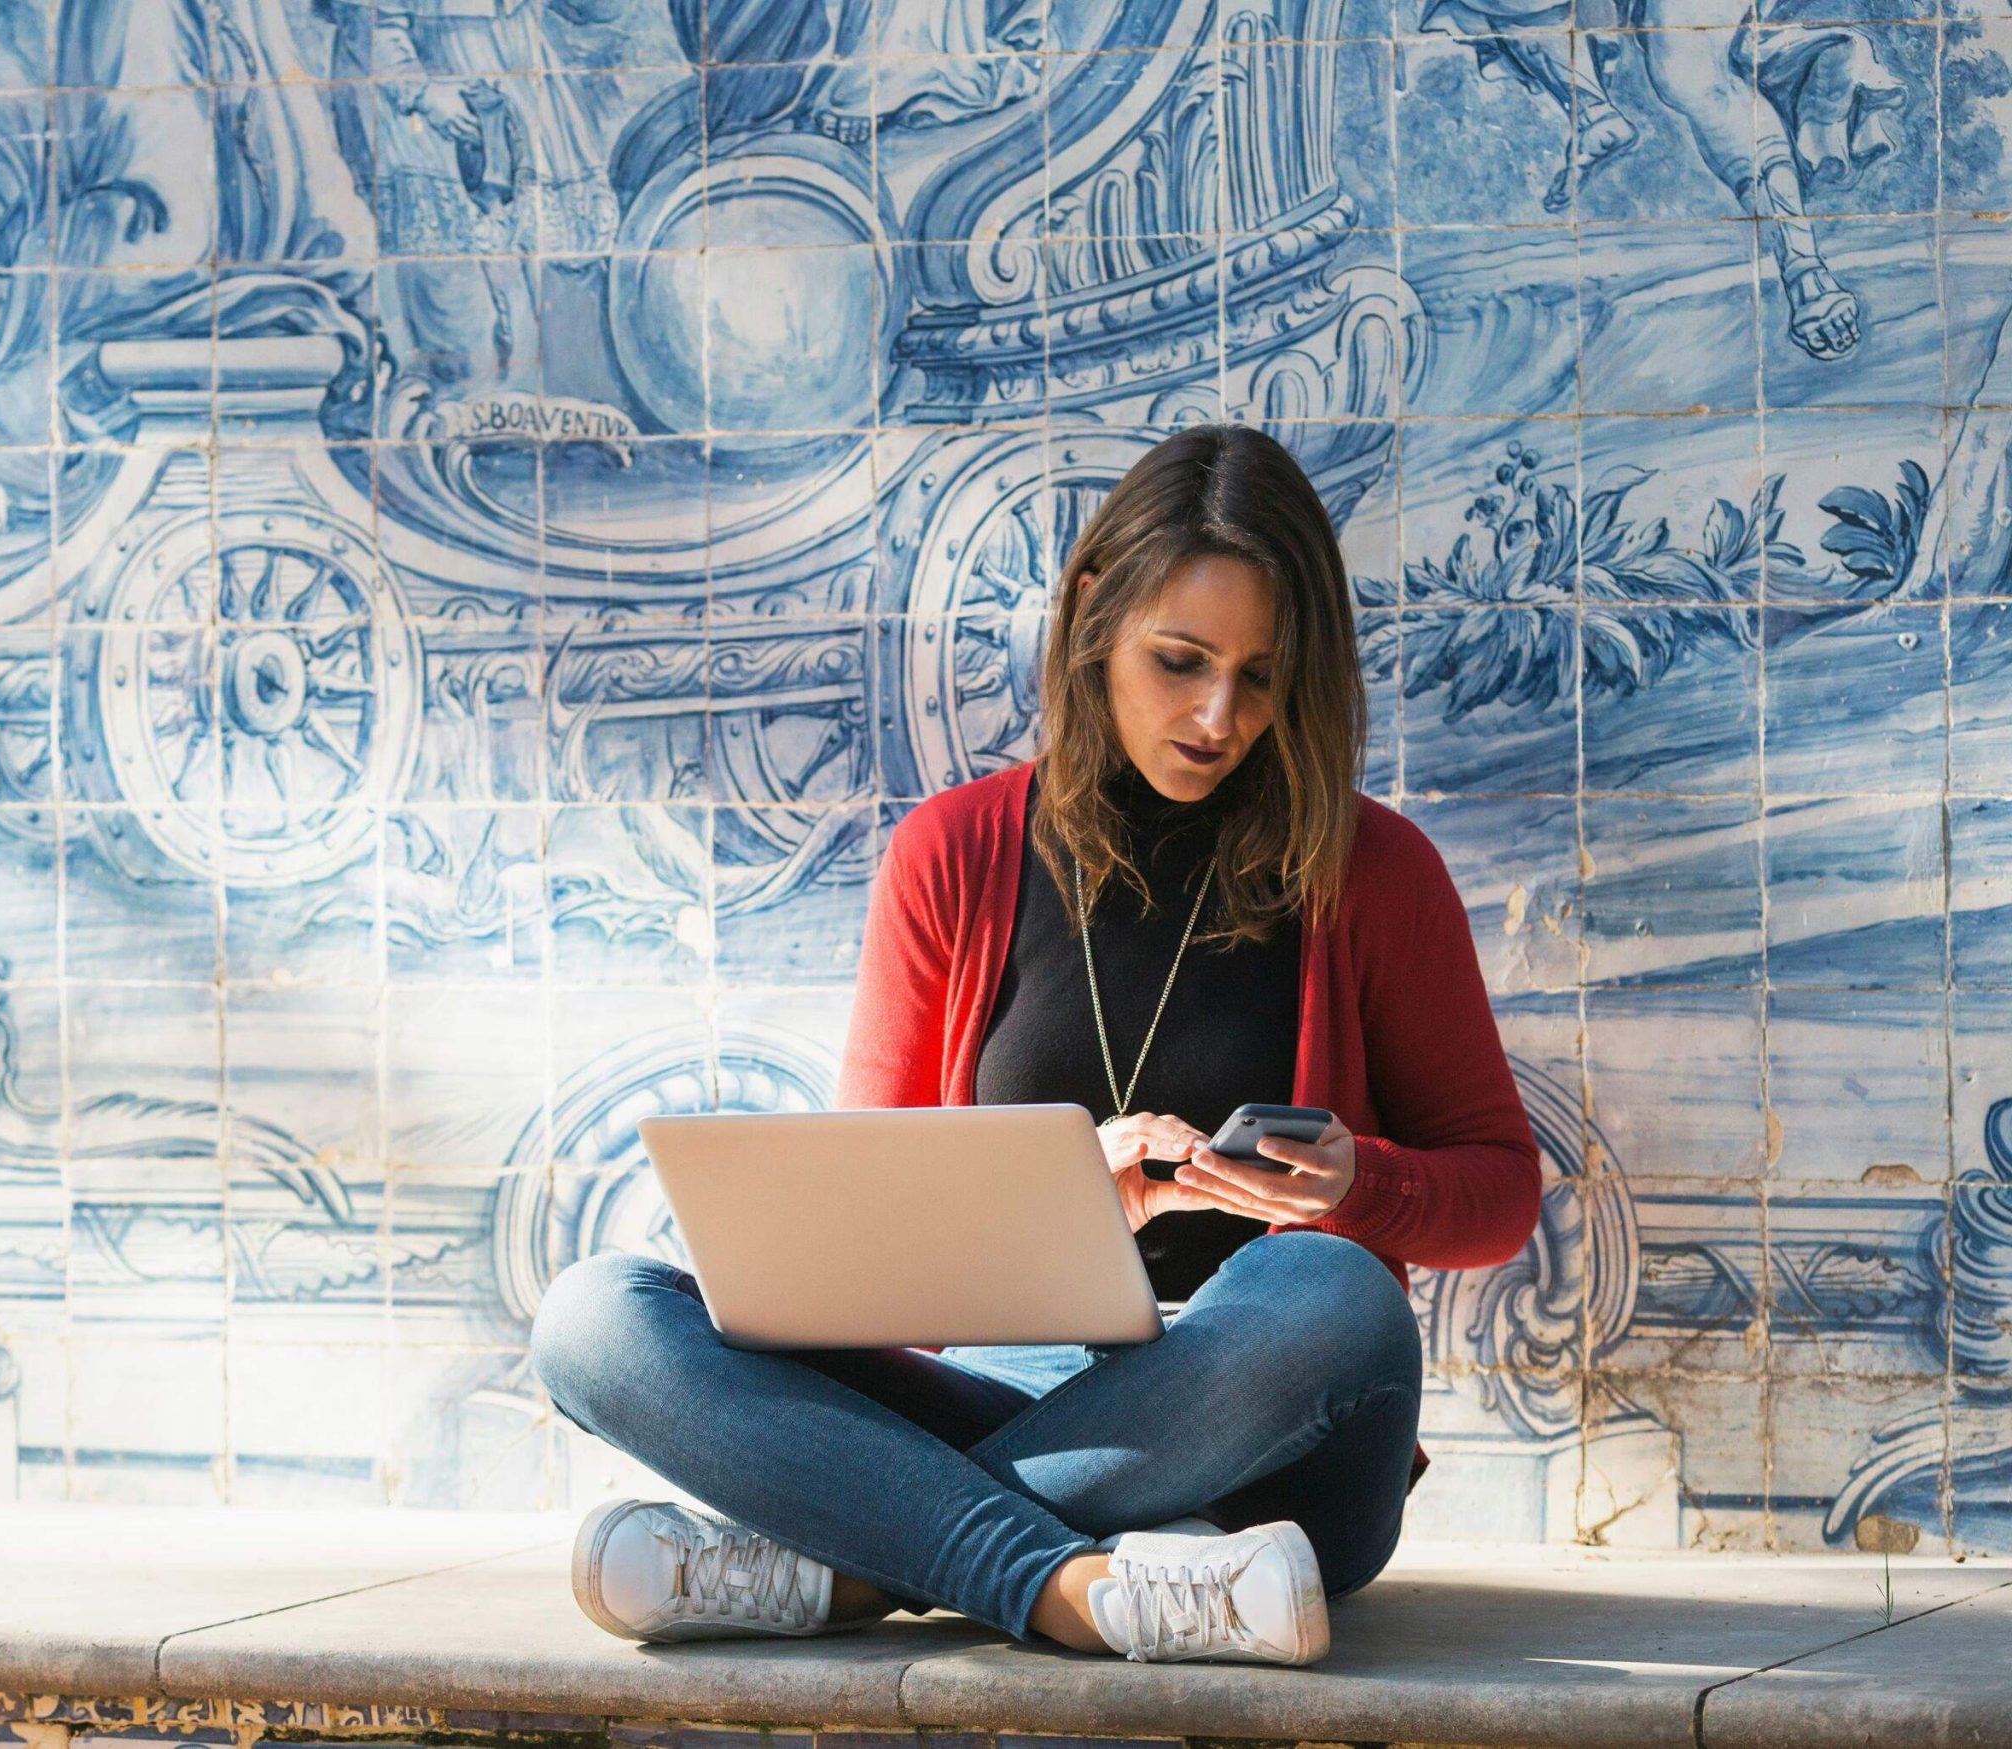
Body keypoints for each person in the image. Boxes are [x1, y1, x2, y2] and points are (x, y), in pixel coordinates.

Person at [528, 425, 1543, 1665]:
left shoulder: (1376, 873)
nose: (1219, 716)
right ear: (1090, 618)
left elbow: (1496, 1195)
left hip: (1276, 1422)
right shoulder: (951, 854)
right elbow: (863, 1246)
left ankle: (857, 1564)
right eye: (1179, 661)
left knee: (1326, 1285)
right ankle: (1084, 1587)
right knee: (592, 1318)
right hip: (1018, 1393)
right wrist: (1054, 1213)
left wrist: (1354, 1187)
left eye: (1262, 677)